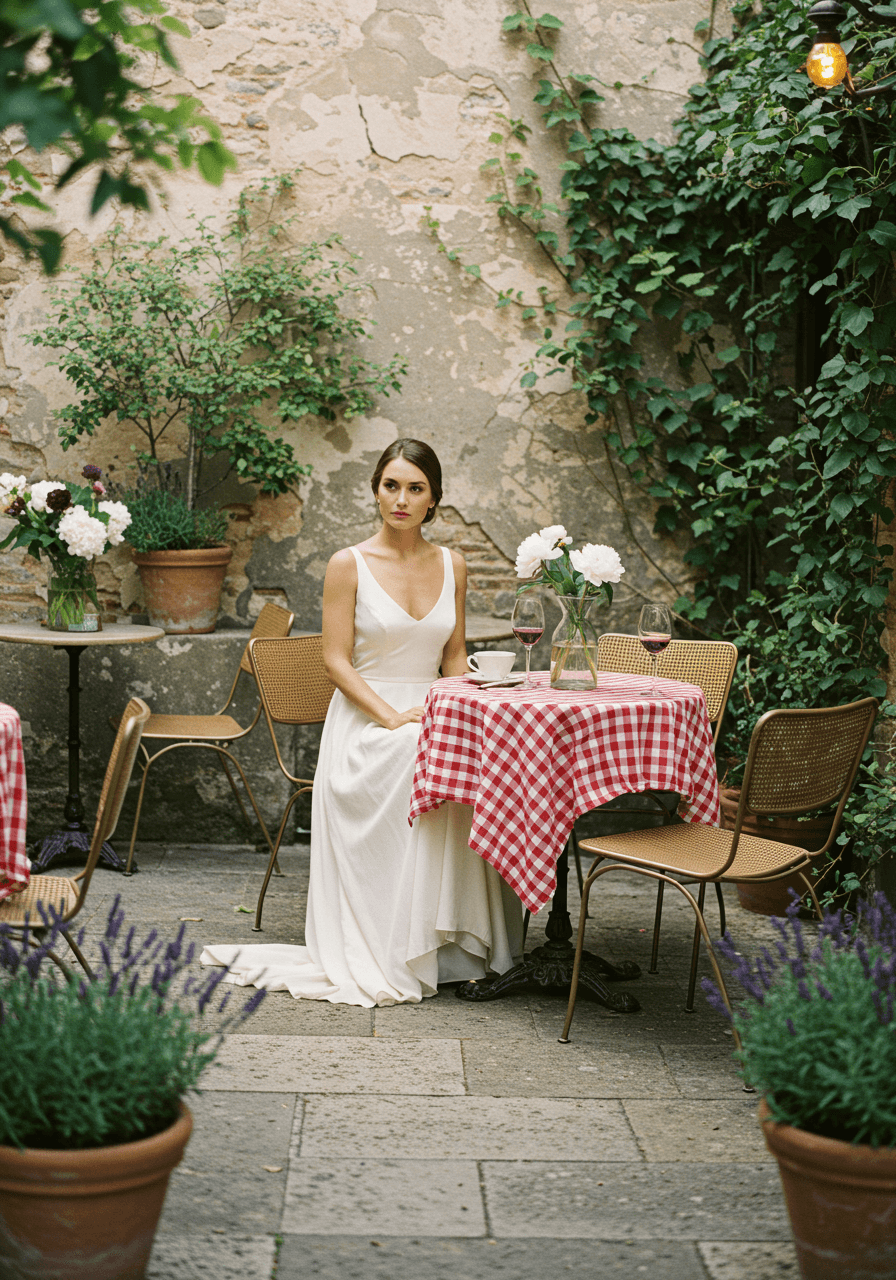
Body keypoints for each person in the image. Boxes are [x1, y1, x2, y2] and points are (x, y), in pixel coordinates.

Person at [201, 439, 522, 1006]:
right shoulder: (347, 564)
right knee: (411, 756)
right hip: (366, 720)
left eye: (415, 488)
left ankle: (458, 946)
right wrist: (394, 716)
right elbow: (335, 660)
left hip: (433, 709)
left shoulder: (454, 565)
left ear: (433, 499)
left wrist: (454, 711)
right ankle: (396, 943)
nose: (400, 498)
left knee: (483, 759)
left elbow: (453, 657)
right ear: (376, 491)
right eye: (391, 485)